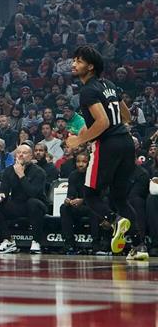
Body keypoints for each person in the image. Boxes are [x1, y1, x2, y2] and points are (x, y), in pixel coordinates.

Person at [67, 46, 148, 261]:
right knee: (120, 197)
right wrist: (93, 128)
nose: (73, 64)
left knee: (90, 194)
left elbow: (102, 122)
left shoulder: (87, 90)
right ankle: (139, 246)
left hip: (107, 145)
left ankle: (114, 221)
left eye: (79, 61)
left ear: (90, 66)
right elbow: (127, 116)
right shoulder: (109, 85)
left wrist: (78, 140)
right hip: (126, 143)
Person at [0, 143, 47, 254]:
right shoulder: (9, 171)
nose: (21, 155)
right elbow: (4, 190)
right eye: (18, 153)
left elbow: (33, 193)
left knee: (33, 202)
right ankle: (8, 240)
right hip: (17, 204)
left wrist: (21, 175)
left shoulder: (39, 172)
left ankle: (36, 241)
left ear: (31, 156)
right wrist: (1, 195)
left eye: (24, 153)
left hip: (36, 205)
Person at [60, 152, 99, 255]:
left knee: (94, 209)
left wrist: (82, 200)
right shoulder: (73, 175)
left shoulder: (95, 174)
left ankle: (96, 244)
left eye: (84, 162)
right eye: (78, 162)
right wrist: (68, 200)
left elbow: (100, 196)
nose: (80, 164)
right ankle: (69, 243)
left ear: (89, 163)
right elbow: (71, 194)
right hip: (80, 206)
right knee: (64, 208)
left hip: (94, 205)